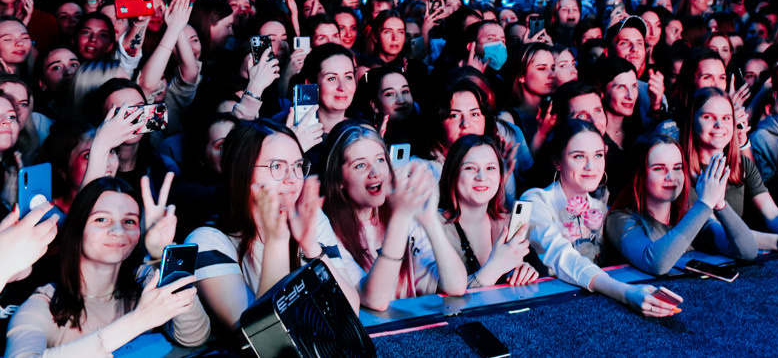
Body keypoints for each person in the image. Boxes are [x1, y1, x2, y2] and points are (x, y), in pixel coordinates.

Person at [186, 120, 360, 332]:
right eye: (277, 166)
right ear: (241, 171)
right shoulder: (207, 242)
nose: (293, 179)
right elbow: (264, 335)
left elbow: (350, 312)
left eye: (298, 166)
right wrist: (277, 240)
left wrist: (311, 247)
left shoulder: (309, 218)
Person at [6, 176, 210, 355]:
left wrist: (162, 255)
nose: (118, 231)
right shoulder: (43, 306)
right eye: (102, 219)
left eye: (129, 221)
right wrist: (138, 321)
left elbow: (193, 337)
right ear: (77, 229)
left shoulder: (146, 279)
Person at [519, 120, 681, 318]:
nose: (590, 166)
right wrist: (625, 292)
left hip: (597, 306)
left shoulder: (601, 206)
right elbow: (562, 257)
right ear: (558, 162)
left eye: (598, 155)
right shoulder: (536, 200)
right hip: (545, 310)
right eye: (579, 156)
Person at [318, 121, 467, 311]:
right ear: (338, 179)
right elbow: (375, 300)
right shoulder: (326, 230)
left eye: (380, 160)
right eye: (360, 165)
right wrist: (401, 216)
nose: (375, 172)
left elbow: (456, 286)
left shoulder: (404, 214)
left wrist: (429, 219)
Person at [682, 87, 778, 257]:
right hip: (701, 260)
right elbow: (717, 233)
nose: (719, 125)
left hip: (738, 255)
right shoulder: (681, 169)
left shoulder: (743, 165)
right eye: (708, 117)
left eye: (726, 118)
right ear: (691, 121)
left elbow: (772, 214)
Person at [606, 134, 757, 275]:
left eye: (677, 168)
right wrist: (704, 204)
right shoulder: (619, 218)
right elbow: (656, 263)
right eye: (659, 168)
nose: (671, 177)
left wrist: (720, 205)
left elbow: (748, 251)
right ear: (639, 174)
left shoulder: (688, 213)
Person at [438, 134, 538, 287]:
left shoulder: (510, 224)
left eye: (490, 168)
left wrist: (522, 274)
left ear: (500, 177)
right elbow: (441, 300)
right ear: (452, 174)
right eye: (470, 168)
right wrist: (495, 267)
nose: (482, 177)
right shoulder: (434, 228)